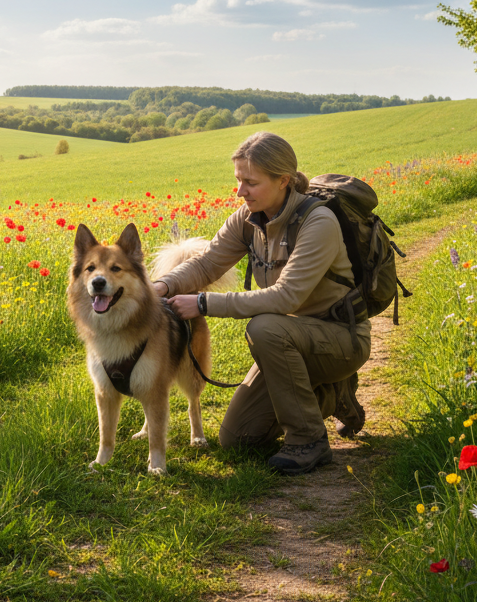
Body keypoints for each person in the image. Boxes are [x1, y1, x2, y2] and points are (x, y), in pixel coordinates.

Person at [153, 131, 368, 474]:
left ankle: (308, 440)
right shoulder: (248, 219)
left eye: (250, 182)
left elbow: (287, 296)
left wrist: (204, 304)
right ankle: (335, 396)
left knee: (265, 327)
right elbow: (207, 263)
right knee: (237, 438)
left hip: (339, 338)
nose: (240, 191)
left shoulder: (318, 222)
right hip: (290, 343)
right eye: (238, 180)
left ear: (283, 181)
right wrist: (161, 286)